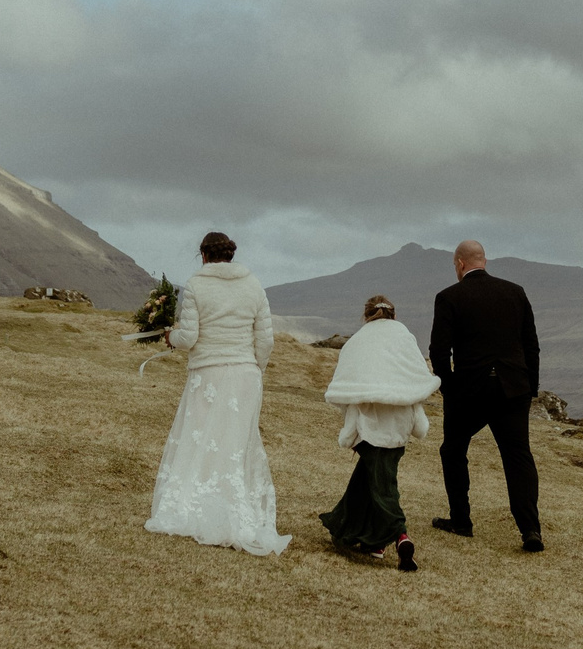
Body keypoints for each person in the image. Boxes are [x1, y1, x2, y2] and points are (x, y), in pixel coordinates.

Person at [145, 230, 291, 555]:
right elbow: (265, 340)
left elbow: (190, 337)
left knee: (200, 437)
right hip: (245, 375)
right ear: (230, 254)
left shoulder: (197, 284)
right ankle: (235, 510)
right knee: (235, 443)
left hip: (208, 373)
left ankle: (194, 506)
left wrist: (170, 337)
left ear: (204, 255)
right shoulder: (254, 285)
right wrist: (255, 370)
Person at [428, 238, 543, 551]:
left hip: (469, 391)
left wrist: (448, 386)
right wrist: (529, 387)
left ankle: (461, 522)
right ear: (484, 261)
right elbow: (531, 345)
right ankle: (530, 530)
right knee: (518, 457)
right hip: (512, 388)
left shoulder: (449, 297)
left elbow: (439, 350)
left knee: (453, 451)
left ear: (460, 264)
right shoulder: (515, 292)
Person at [318, 294, 438, 571]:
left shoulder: (359, 341)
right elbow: (416, 375)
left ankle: (400, 535)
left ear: (367, 315)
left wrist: (350, 428)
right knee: (373, 478)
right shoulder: (404, 338)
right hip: (399, 423)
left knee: (383, 485)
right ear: (393, 315)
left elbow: (348, 385)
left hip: (369, 422)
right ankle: (373, 541)